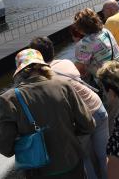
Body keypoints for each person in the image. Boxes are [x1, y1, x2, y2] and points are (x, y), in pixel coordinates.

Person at [0, 49, 95, 179]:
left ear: (19, 73)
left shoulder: (9, 99)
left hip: (38, 171)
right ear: (43, 68)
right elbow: (88, 125)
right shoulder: (64, 85)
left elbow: (5, 147)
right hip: (71, 163)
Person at [29, 37, 108, 179]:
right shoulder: (66, 63)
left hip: (82, 119)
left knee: (84, 159)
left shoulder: (44, 79)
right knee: (104, 156)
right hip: (98, 108)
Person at [73, 8, 119, 83]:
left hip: (108, 79)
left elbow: (79, 69)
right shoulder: (105, 31)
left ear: (80, 28)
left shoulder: (86, 43)